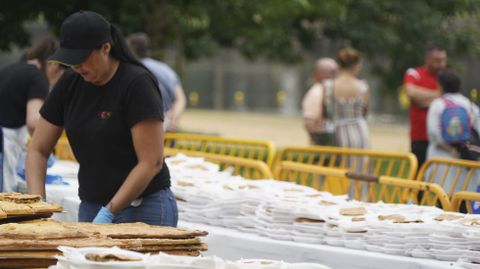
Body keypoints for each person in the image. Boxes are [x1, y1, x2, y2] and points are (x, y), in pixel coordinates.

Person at [26, 10, 178, 226]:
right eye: (71, 61)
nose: (77, 68)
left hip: (142, 207)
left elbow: (151, 161)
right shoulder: (69, 84)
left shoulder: (137, 83)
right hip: (91, 204)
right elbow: (38, 150)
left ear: (105, 48)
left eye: (82, 60)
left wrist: (110, 211)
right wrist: (38, 205)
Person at [0, 36, 58, 192]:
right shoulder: (38, 77)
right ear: (52, 64)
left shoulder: (10, 69)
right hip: (4, 141)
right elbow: (34, 121)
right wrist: (44, 148)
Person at [426, 71, 479, 194]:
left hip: (441, 160)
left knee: (442, 198)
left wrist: (450, 149)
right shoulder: (469, 104)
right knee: (463, 201)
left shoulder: (437, 104)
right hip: (465, 158)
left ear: (440, 86)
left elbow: (433, 133)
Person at [127, 33, 186, 132]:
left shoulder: (131, 71)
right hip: (167, 128)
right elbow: (181, 99)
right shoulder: (166, 69)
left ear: (132, 50)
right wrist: (172, 119)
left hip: (142, 130)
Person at [404, 44, 447, 168]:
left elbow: (449, 99)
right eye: (437, 61)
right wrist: (439, 95)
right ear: (427, 59)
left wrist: (423, 98)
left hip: (442, 138)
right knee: (419, 176)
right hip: (420, 136)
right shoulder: (414, 73)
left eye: (444, 60)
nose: (442, 64)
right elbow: (411, 93)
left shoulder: (445, 77)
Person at [326, 48, 369, 149]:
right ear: (356, 65)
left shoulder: (329, 85)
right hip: (359, 132)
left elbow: (326, 111)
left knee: (336, 163)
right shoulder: (362, 86)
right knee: (358, 163)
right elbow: (365, 112)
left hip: (335, 131)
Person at [302, 58, 339, 145]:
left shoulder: (332, 90)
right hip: (323, 146)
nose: (336, 75)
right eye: (332, 72)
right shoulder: (315, 93)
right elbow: (309, 123)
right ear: (318, 74)